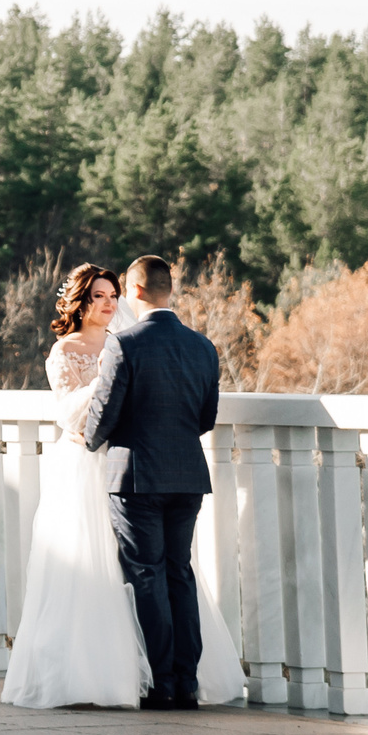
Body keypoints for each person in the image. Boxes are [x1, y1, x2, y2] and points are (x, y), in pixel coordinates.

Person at [86, 254, 243, 709]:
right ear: (168, 290)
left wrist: (90, 440)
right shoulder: (203, 347)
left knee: (146, 576)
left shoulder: (125, 344)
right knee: (179, 572)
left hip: (136, 477)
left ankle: (161, 683)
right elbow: (205, 418)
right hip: (187, 476)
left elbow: (104, 414)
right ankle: (186, 681)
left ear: (133, 292)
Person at [0, 263, 151, 709]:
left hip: (125, 461)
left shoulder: (128, 342)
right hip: (81, 463)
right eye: (98, 296)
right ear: (80, 301)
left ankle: (141, 666)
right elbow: (69, 414)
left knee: (130, 561)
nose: (107, 303)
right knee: (84, 562)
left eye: (112, 295)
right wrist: (105, 371)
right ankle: (79, 673)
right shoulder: (65, 350)